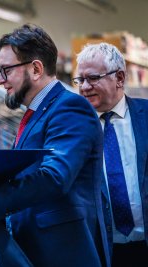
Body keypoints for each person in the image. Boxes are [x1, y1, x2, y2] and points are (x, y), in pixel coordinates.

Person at [0, 24, 110, 267]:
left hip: (61, 255)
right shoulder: (38, 113)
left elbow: (54, 177)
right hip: (36, 251)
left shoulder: (70, 108)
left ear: (36, 69)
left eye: (6, 70)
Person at [75, 42, 148, 267]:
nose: (85, 87)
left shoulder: (146, 117)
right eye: (80, 80)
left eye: (93, 78)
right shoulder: (73, 128)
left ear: (119, 78)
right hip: (103, 252)